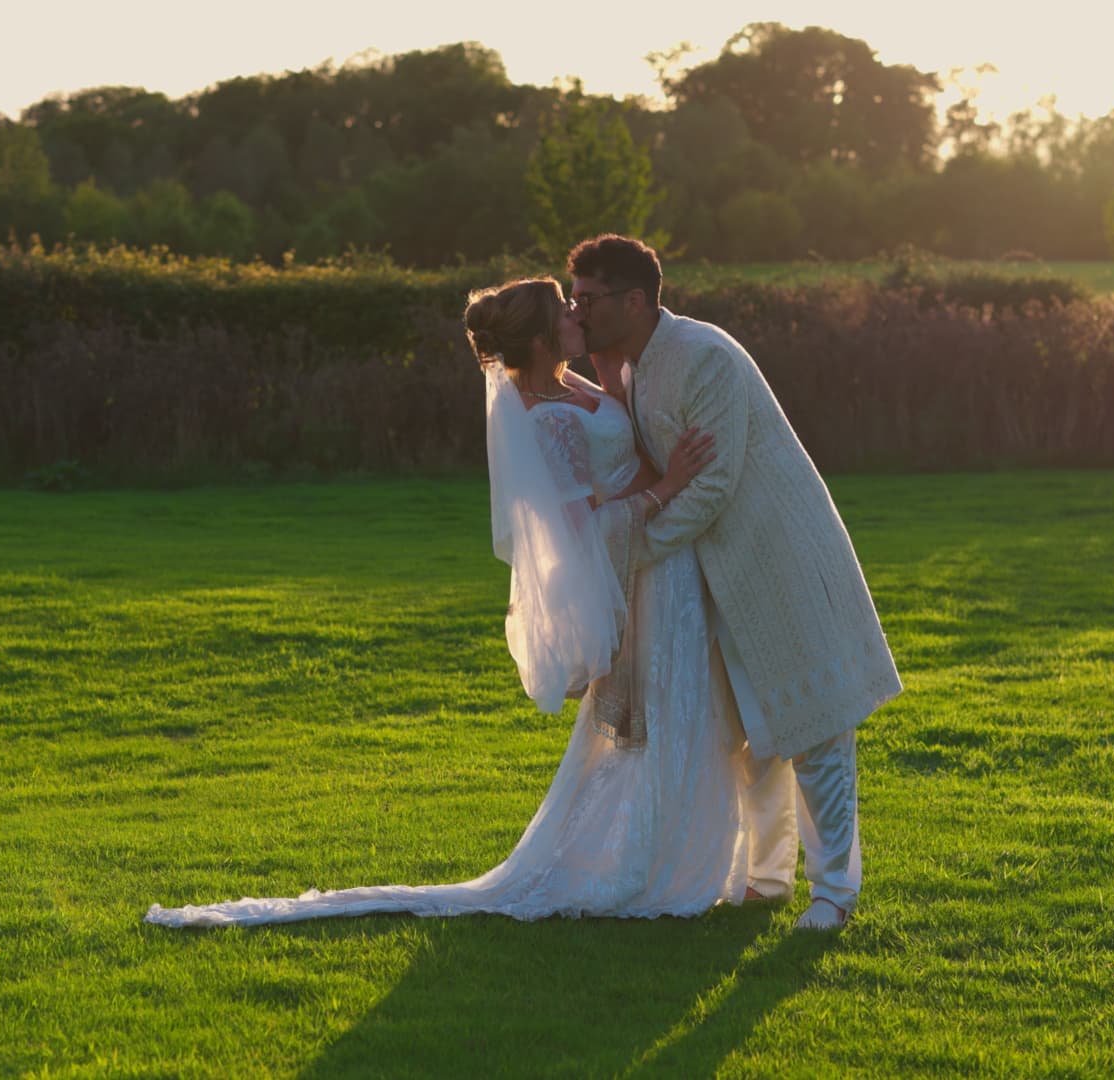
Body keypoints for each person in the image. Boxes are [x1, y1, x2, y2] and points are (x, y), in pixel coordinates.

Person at [145, 277, 747, 928]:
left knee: (665, 715)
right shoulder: (545, 421)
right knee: (641, 726)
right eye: (565, 312)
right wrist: (672, 487)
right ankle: (636, 868)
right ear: (544, 341)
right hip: (630, 571)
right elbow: (583, 532)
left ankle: (664, 852)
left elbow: (621, 433)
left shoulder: (570, 383)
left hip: (660, 565)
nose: (578, 314)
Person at [568, 235, 903, 932]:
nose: (578, 310)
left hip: (775, 558)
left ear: (635, 300)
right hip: (715, 576)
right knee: (755, 734)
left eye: (589, 299)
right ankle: (768, 878)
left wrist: (629, 550)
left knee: (814, 728)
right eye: (574, 298)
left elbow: (712, 484)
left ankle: (835, 892)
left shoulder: (704, 358)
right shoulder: (631, 366)